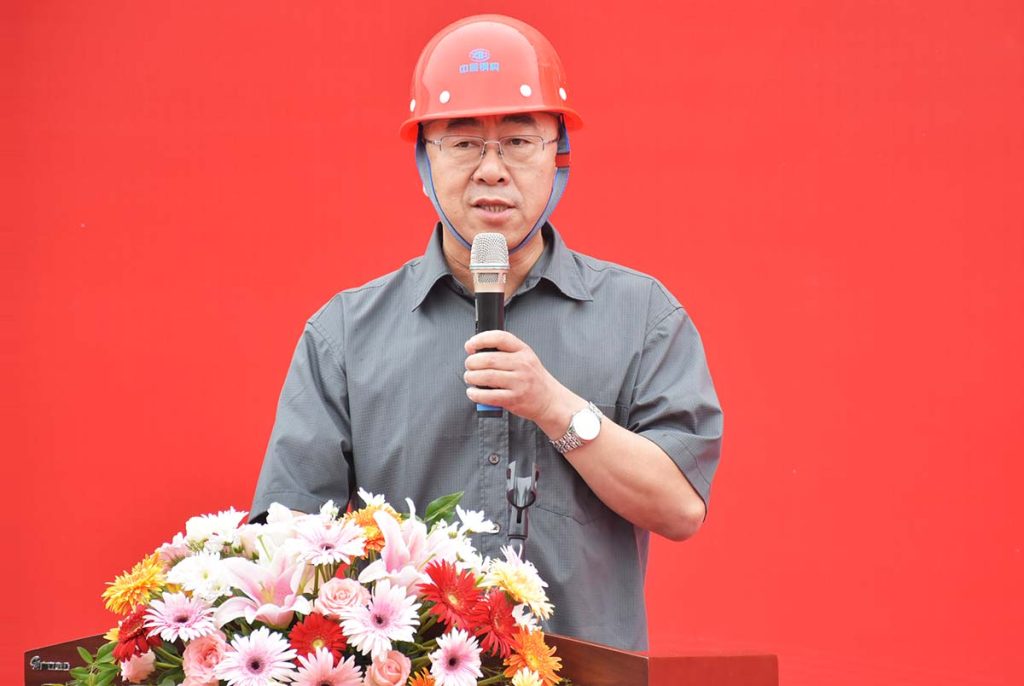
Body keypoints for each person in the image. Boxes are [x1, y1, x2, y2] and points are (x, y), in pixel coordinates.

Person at [251, 14, 722, 651]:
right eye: (464, 142)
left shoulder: (642, 318)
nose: (492, 170)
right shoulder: (344, 336)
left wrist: (553, 407)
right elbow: (285, 545)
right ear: (425, 158)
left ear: (558, 156)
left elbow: (681, 508)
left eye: (519, 141)